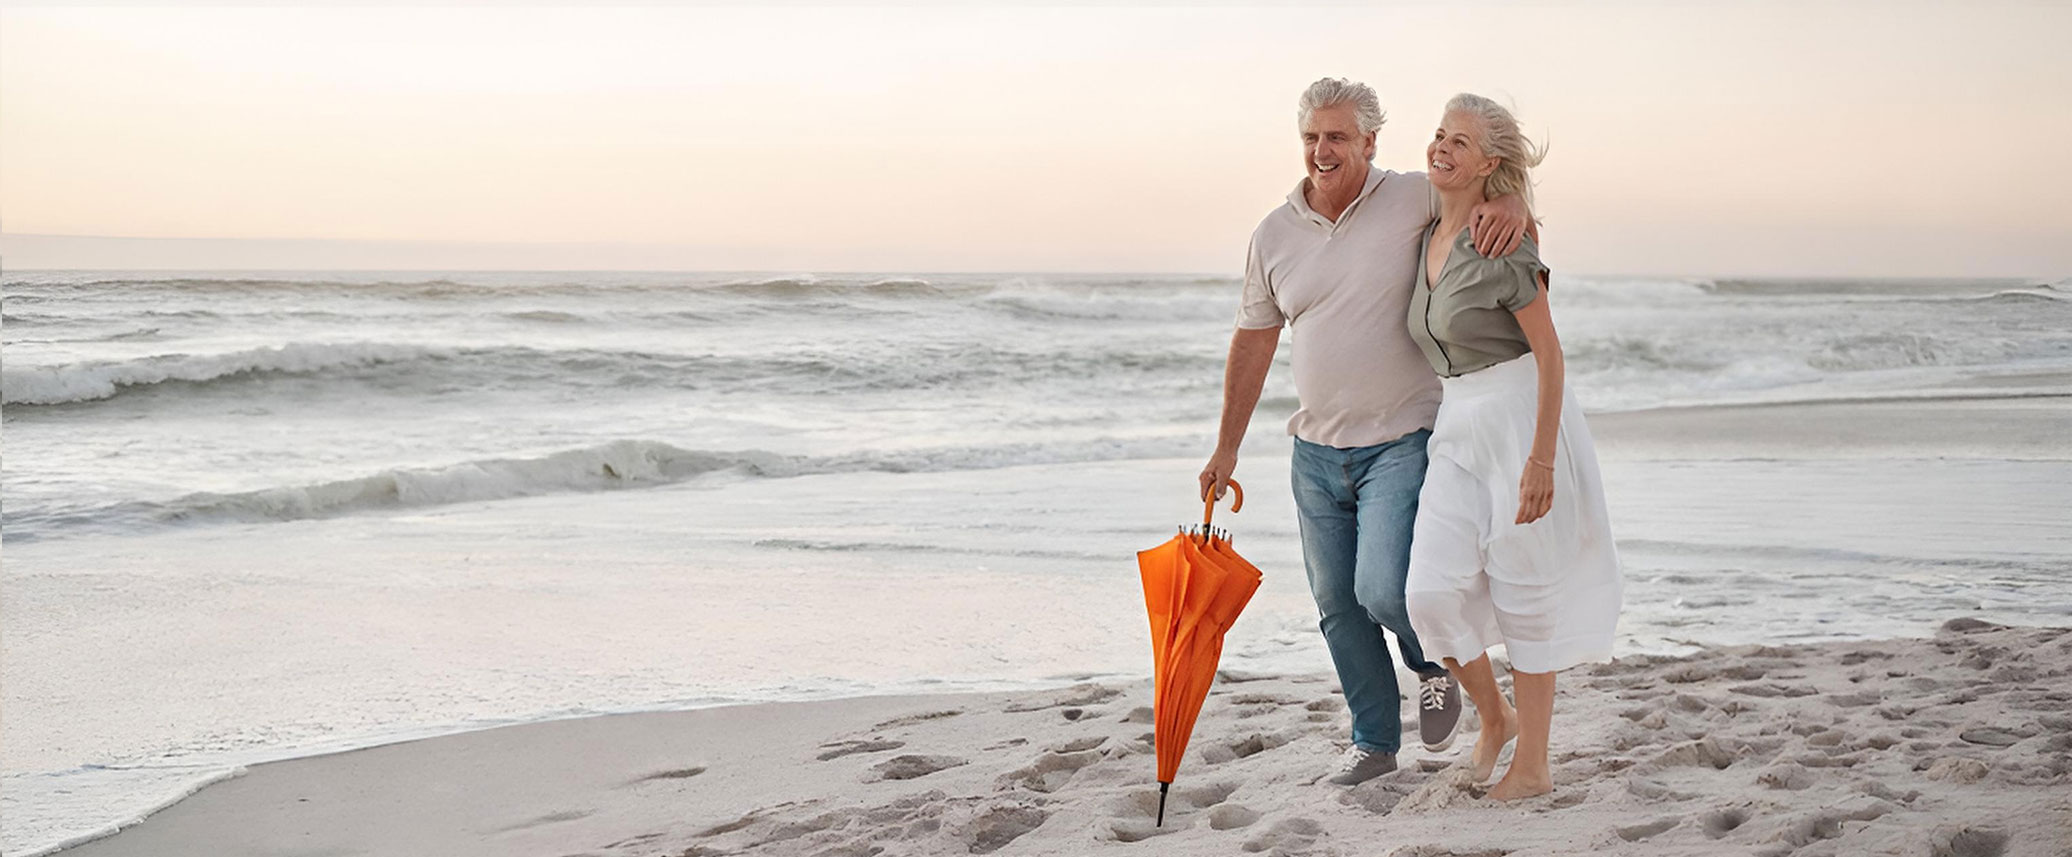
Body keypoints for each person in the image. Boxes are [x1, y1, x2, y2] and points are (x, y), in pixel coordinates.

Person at [1200, 78, 1530, 786]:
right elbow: (1253, 341)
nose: (1323, 151)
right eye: (1313, 137)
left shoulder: (1410, 197)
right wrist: (1225, 449)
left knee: (1384, 589)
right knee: (1338, 607)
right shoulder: (1274, 234)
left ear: (1371, 142)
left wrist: (1511, 200)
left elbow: (1480, 187)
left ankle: (1430, 663)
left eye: (1338, 137)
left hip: (1401, 440)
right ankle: (1374, 742)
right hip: (1314, 452)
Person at [1402, 93, 1623, 801]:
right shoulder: (1423, 230)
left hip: (1520, 415)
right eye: (1439, 134)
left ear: (1489, 162)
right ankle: (1491, 717)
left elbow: (1551, 355)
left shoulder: (1505, 243)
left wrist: (1541, 458)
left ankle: (1534, 764)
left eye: (1460, 142)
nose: (1441, 147)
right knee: (1427, 593)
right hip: (1457, 425)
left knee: (1527, 592)